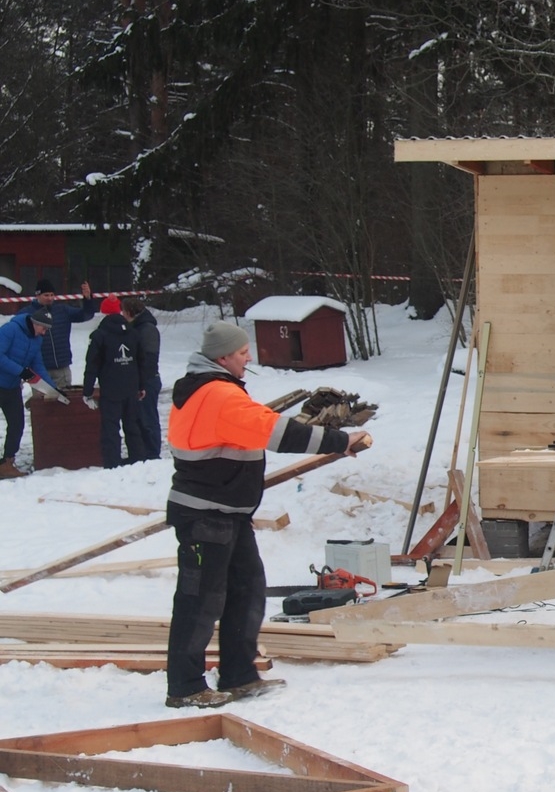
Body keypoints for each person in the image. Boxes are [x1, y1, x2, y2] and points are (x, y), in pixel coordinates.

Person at [165, 321, 371, 708]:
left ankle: (240, 674)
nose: (249, 358)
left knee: (246, 592)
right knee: (200, 601)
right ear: (223, 356)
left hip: (228, 513)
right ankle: (185, 686)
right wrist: (340, 441)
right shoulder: (217, 395)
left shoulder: (217, 391)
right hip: (206, 515)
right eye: (243, 352)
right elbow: (276, 433)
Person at [81, 296, 146, 468]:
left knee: (110, 429)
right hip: (131, 387)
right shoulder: (133, 333)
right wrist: (142, 385)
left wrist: (87, 391)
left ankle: (112, 463)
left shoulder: (99, 335)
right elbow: (141, 360)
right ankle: (138, 460)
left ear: (103, 312)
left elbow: (92, 364)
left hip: (110, 390)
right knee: (132, 425)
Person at [0, 310, 60, 479]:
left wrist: (51, 388)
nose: (44, 332)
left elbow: (38, 365)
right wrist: (22, 372)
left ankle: (6, 463)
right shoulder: (10, 329)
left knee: (17, 425)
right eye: (44, 328)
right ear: (35, 323)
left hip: (11, 388)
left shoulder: (37, 340)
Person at [19, 278, 96, 388]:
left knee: (63, 403)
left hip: (62, 368)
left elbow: (86, 315)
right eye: (46, 295)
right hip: (39, 369)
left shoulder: (63, 310)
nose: (50, 298)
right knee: (41, 404)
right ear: (37, 295)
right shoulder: (25, 314)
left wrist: (88, 299)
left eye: (52, 295)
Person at [121, 298, 163, 459]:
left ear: (130, 312)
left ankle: (152, 453)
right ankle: (143, 453)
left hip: (148, 380)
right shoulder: (137, 327)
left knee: (148, 419)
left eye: (123, 311)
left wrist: (142, 382)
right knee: (139, 418)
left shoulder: (147, 329)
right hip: (140, 380)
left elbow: (150, 359)